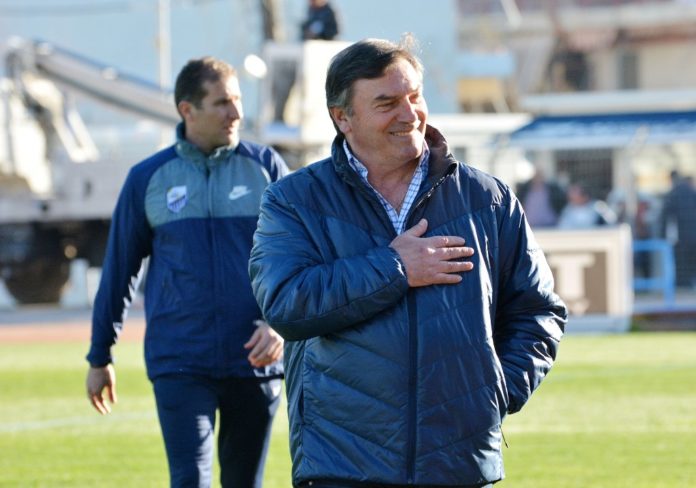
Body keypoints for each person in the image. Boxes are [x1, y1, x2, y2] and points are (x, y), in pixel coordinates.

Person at [249, 37, 567, 488]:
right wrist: (395, 268)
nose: (409, 113)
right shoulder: (294, 200)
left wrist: (497, 391)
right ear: (343, 118)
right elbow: (286, 303)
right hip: (343, 465)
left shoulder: (487, 199)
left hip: (459, 464)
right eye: (387, 103)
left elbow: (538, 311)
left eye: (414, 96)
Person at [85, 57, 290, 488]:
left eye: (237, 100)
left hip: (255, 361)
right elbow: (119, 272)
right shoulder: (147, 179)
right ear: (187, 110)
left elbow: (298, 258)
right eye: (222, 103)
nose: (236, 113)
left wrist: (279, 326)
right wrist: (100, 355)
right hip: (180, 361)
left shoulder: (266, 167)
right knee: (189, 480)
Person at [661, 170, 696, 287]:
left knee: (681, 262)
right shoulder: (692, 193)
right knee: (692, 261)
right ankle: (690, 283)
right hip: (693, 235)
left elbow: (666, 217)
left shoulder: (673, 194)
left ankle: (683, 284)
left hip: (680, 236)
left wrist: (663, 235)